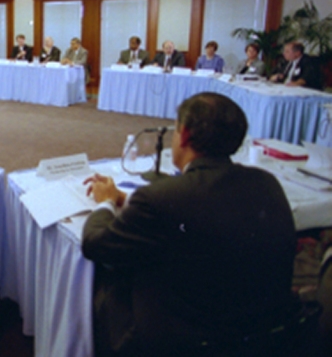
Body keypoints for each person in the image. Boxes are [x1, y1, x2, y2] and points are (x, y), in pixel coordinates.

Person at [81, 92, 297, 356]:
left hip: (183, 342)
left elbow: (95, 244)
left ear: (183, 135)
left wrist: (105, 202)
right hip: (263, 335)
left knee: (104, 278)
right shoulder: (267, 183)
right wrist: (126, 200)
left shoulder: (160, 197)